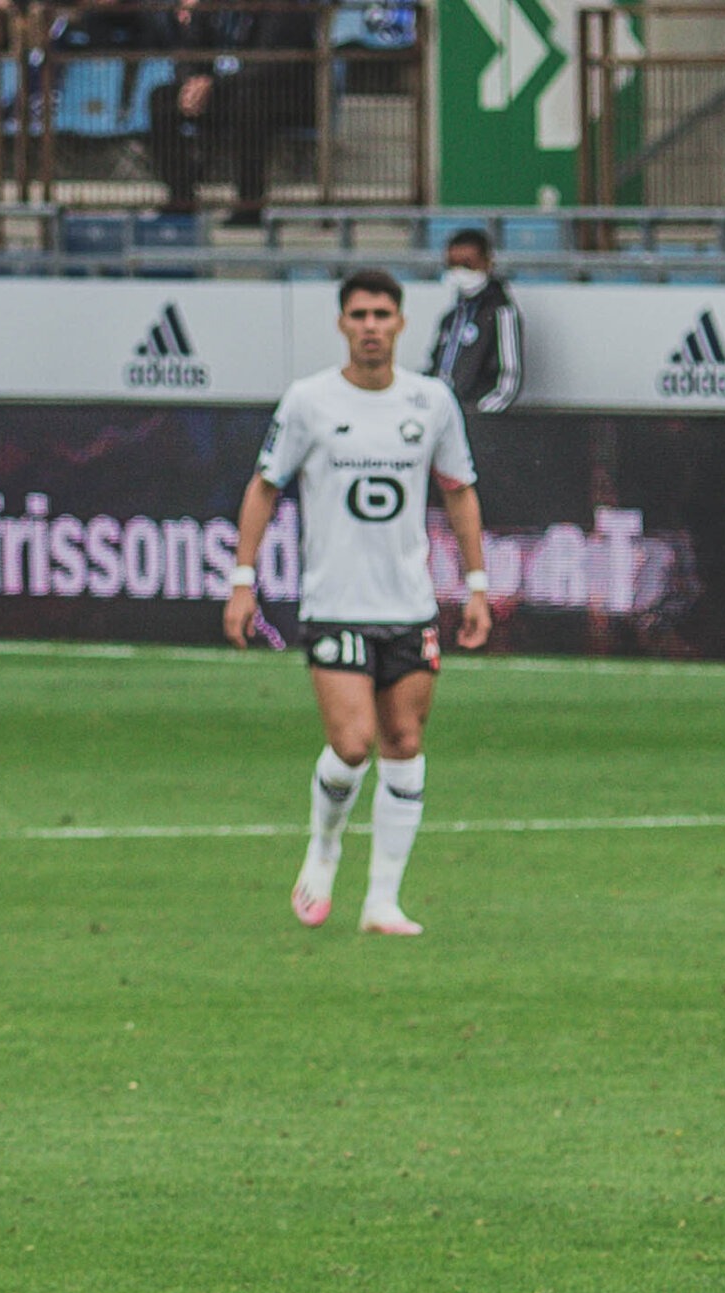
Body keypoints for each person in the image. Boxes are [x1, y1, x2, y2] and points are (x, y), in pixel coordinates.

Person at [223, 270, 492, 938]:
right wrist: (242, 577)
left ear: (401, 324)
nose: (371, 326)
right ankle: (323, 847)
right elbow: (265, 487)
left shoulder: (431, 402)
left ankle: (382, 902)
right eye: (359, 315)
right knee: (352, 742)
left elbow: (458, 490)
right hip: (336, 602)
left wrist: (477, 583)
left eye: (382, 314)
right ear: (343, 324)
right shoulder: (309, 401)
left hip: (409, 604)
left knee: (404, 740)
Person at [141, 0, 313, 226]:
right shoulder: (210, 8)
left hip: (279, 97)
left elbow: (269, 67)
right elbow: (188, 51)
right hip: (223, 92)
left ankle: (249, 204)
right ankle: (181, 197)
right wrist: (190, 82)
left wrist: (211, 84)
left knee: (250, 103)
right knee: (162, 99)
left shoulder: (282, 9)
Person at [426, 228, 524, 416]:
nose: (459, 272)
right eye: (452, 265)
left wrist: (479, 413)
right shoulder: (451, 317)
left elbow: (508, 379)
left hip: (476, 418)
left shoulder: (502, 313)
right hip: (443, 415)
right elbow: (435, 366)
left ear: (487, 264)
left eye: (467, 265)